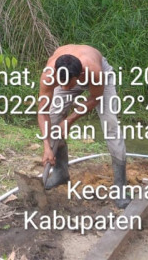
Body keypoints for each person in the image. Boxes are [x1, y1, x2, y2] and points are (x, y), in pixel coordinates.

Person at [37, 44, 130, 209]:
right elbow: (42, 110)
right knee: (53, 117)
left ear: (79, 76)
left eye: (68, 85)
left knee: (110, 125)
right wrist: (46, 146)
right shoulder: (50, 75)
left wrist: (70, 120)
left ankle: (120, 187)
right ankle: (60, 173)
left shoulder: (94, 72)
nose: (64, 89)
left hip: (100, 81)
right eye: (61, 84)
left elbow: (95, 98)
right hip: (69, 75)